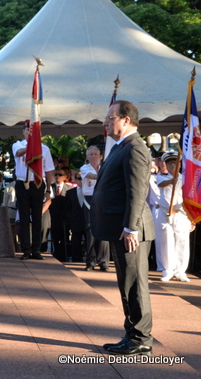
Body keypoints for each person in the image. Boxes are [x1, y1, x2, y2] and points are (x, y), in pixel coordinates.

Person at [91, 100, 155, 356]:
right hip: (122, 229)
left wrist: (131, 228)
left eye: (110, 117)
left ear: (126, 120)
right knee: (126, 283)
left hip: (131, 231)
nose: (105, 122)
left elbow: (137, 192)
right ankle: (132, 334)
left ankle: (141, 338)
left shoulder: (135, 148)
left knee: (135, 284)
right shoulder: (121, 147)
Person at [12, 120, 55, 260]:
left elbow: (48, 171)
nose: (30, 133)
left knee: (37, 217)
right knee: (24, 217)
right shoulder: (17, 145)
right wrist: (32, 146)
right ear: (23, 131)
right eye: (27, 130)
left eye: (33, 131)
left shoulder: (45, 149)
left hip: (37, 183)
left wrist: (48, 189)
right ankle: (26, 249)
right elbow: (18, 153)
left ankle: (36, 249)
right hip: (22, 183)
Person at [154, 150, 195, 282]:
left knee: (182, 242)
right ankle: (168, 270)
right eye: (169, 163)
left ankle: (181, 271)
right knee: (166, 242)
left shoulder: (186, 179)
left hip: (181, 214)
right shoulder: (161, 177)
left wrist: (192, 219)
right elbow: (161, 184)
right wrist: (172, 181)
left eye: (175, 163)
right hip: (165, 213)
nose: (172, 166)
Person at [81, 145, 110, 271]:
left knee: (104, 229)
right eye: (91, 154)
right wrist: (104, 174)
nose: (93, 156)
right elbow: (92, 177)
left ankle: (103, 261)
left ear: (100, 156)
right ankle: (91, 261)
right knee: (90, 230)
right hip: (90, 200)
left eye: (95, 154)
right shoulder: (84, 168)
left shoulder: (104, 167)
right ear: (87, 157)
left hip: (103, 199)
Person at [48, 165, 74, 262]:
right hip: (53, 218)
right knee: (55, 239)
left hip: (66, 219)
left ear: (65, 177)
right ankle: (57, 256)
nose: (57, 176)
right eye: (56, 174)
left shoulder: (70, 189)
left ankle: (64, 257)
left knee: (65, 239)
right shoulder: (49, 188)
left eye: (60, 174)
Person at [66, 171, 86, 262]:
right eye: (79, 178)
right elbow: (68, 208)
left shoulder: (92, 191)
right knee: (75, 243)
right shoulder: (70, 193)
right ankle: (76, 260)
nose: (81, 180)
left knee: (90, 243)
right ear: (75, 179)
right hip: (76, 222)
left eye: (83, 178)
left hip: (88, 222)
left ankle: (91, 260)